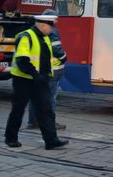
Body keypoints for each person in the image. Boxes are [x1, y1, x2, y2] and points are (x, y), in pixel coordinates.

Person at [4, 12, 69, 150]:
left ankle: (51, 141)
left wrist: (58, 62)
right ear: (43, 25)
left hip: (41, 80)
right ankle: (11, 138)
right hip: (23, 80)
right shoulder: (26, 37)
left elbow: (45, 59)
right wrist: (35, 74)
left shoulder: (45, 38)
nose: (52, 29)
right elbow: (22, 60)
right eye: (50, 27)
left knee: (46, 110)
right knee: (18, 109)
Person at [26, 9, 67, 131]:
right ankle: (50, 123)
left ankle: (33, 122)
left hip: (37, 69)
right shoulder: (52, 30)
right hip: (52, 70)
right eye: (55, 18)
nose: (57, 21)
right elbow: (56, 49)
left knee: (36, 96)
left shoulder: (33, 30)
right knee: (50, 98)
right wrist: (64, 57)